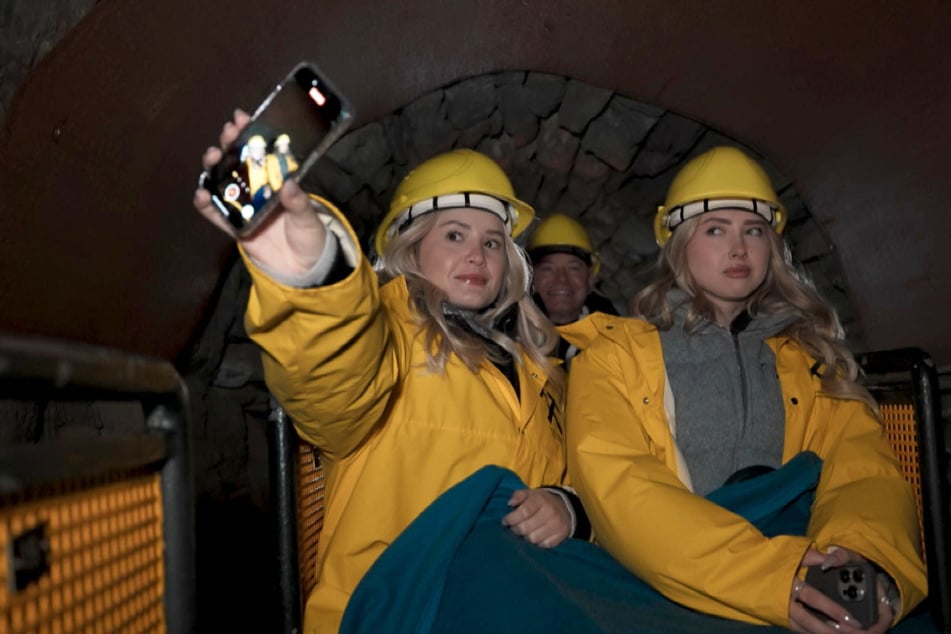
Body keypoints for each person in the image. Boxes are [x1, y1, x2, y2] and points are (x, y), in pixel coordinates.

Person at [194, 111, 589, 634]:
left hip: (520, 604)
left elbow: (578, 478)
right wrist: (316, 282)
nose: (477, 253)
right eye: (454, 234)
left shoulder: (540, 369)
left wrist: (568, 510)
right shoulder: (388, 336)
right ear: (411, 247)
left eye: (493, 241)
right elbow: (333, 385)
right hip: (394, 611)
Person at [562, 146, 927, 633]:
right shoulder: (612, 355)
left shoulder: (810, 360)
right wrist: (779, 579)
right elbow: (622, 488)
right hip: (676, 574)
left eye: (753, 231)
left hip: (805, 552)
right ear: (678, 244)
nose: (739, 249)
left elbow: (862, 468)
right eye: (716, 230)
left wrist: (858, 561)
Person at [526, 213, 618, 364]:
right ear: (531, 278)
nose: (561, 279)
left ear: (590, 278)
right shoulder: (505, 340)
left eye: (573, 268)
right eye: (547, 269)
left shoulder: (619, 341)